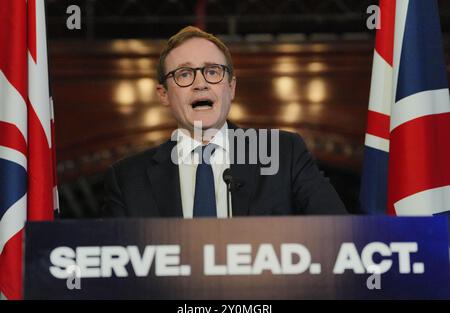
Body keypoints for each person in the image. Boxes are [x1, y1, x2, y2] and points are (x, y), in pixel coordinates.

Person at [101, 26, 348, 218]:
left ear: (231, 88)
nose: (200, 83)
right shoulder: (127, 179)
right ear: (163, 94)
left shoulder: (285, 154)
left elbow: (337, 234)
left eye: (212, 71)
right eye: (184, 74)